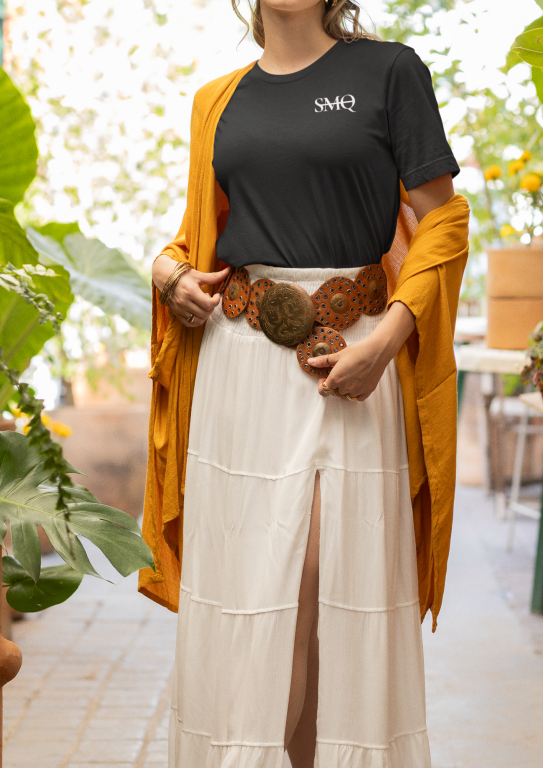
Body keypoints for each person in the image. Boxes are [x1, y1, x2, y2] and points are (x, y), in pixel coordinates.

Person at [137, 2, 470, 766]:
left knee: (324, 585)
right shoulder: (216, 101)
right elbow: (199, 237)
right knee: (259, 599)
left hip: (353, 360)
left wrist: (386, 344)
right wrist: (167, 273)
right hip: (239, 368)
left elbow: (442, 221)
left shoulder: (389, 72)